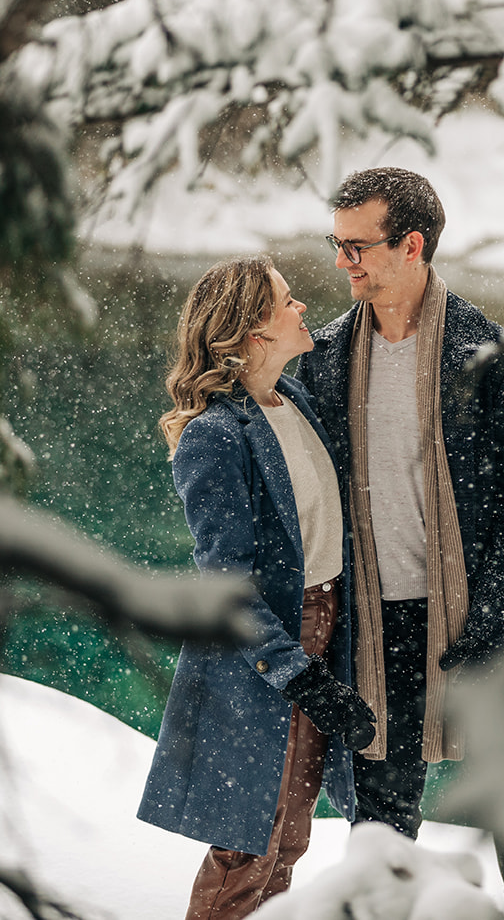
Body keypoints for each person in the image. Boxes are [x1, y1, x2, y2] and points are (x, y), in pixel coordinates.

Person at [295, 168, 504, 920]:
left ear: (411, 244)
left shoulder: (496, 357)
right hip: (375, 625)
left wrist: (499, 613)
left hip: (482, 617)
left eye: (358, 246)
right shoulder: (320, 360)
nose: (342, 261)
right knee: (382, 821)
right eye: (337, 244)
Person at [138, 254, 378, 920]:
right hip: (265, 650)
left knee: (292, 835)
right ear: (252, 333)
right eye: (287, 301)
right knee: (248, 843)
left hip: (328, 623)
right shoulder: (213, 438)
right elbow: (229, 585)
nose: (303, 308)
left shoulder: (292, 399)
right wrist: (301, 675)